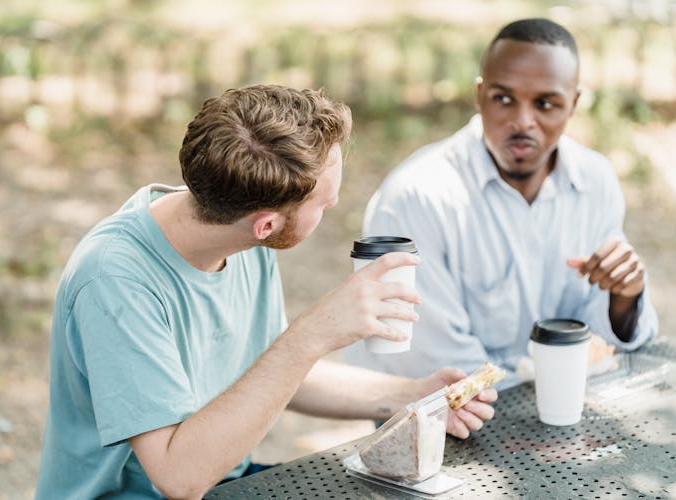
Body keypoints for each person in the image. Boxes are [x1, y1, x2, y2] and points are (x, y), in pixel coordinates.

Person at [35, 84, 497, 499]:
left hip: (231, 479)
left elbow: (269, 375)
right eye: (325, 201)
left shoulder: (240, 233)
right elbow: (178, 477)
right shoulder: (115, 281)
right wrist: (310, 334)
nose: (334, 204)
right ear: (268, 224)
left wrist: (413, 395)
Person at [344, 18, 658, 387]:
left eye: (546, 104)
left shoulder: (595, 181)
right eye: (504, 99)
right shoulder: (417, 196)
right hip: (437, 417)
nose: (523, 121)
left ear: (573, 104)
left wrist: (624, 299)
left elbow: (597, 341)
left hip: (552, 407)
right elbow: (433, 366)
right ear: (480, 95)